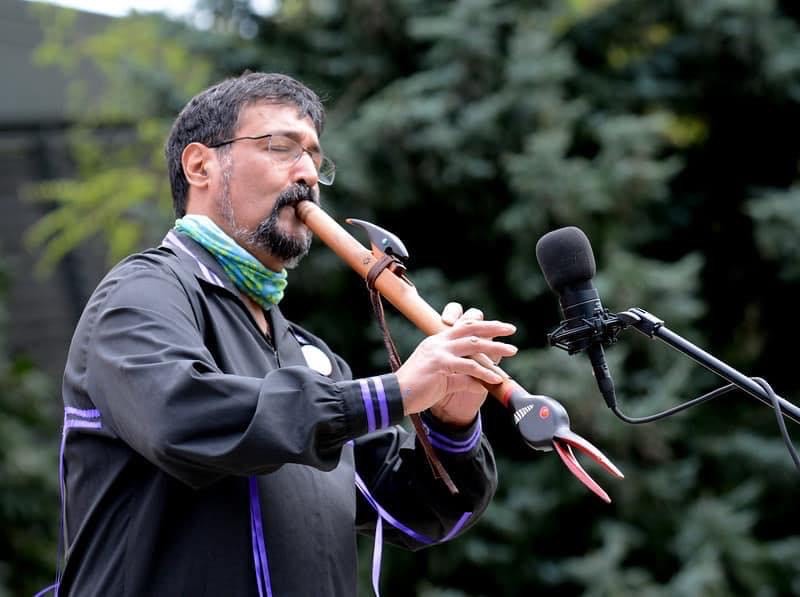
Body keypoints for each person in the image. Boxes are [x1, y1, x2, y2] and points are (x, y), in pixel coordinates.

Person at [56, 72, 518, 596]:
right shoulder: (142, 293)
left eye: (316, 160)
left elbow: (420, 514)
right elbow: (181, 419)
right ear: (201, 164)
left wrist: (450, 419)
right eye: (281, 148)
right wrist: (397, 391)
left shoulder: (307, 354)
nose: (307, 175)